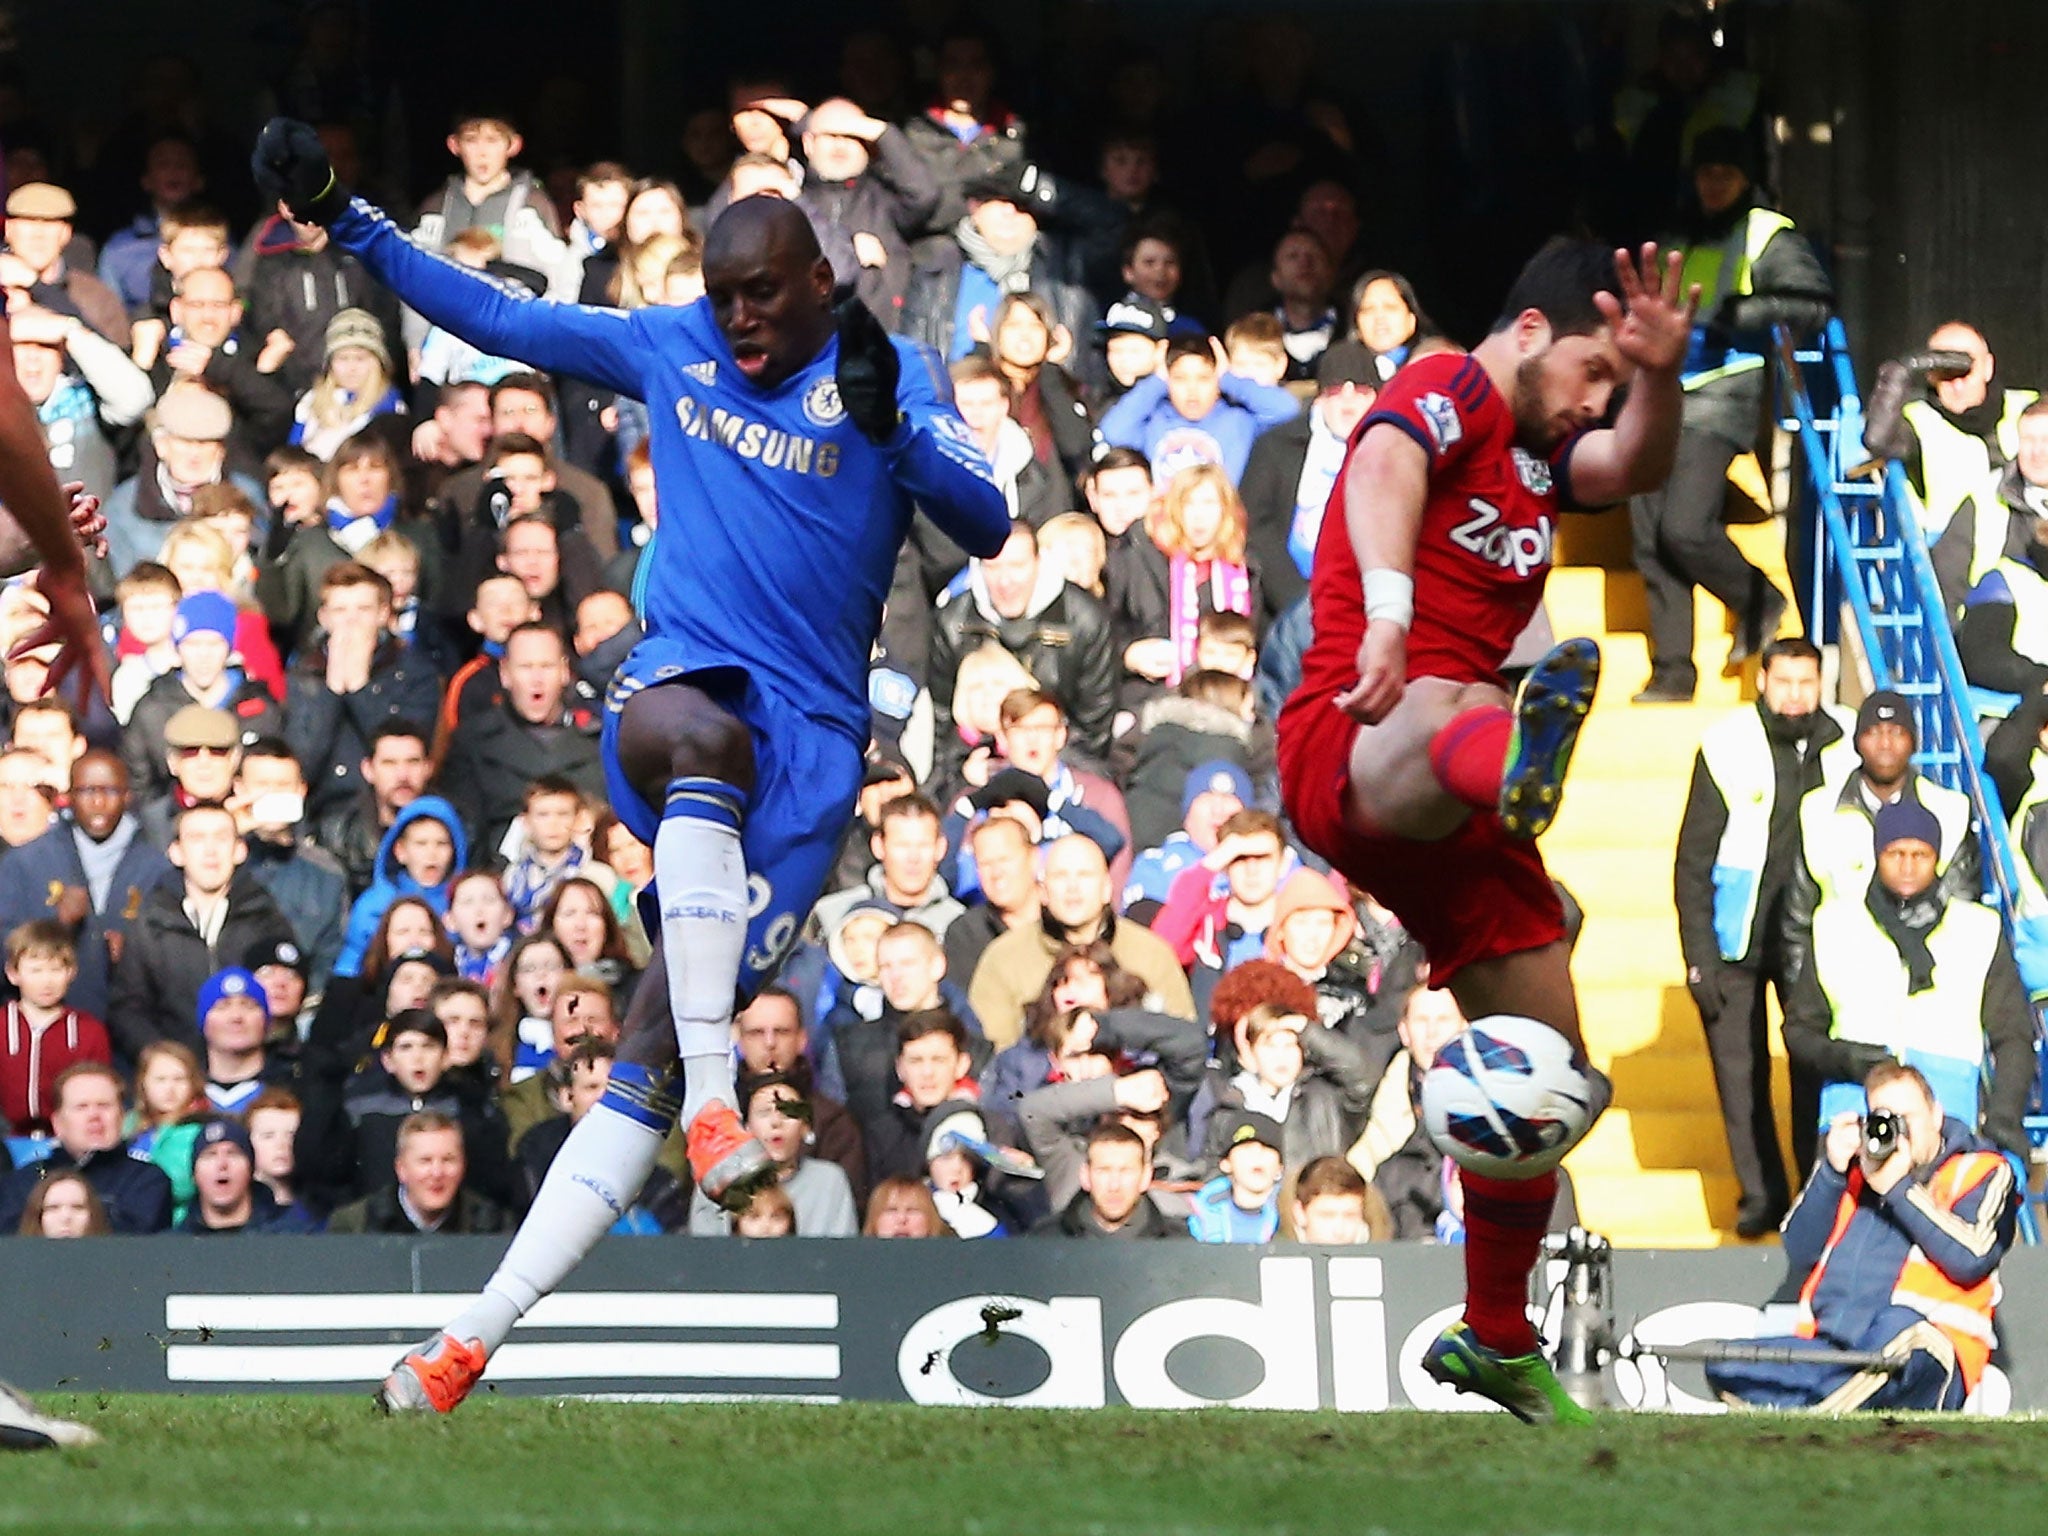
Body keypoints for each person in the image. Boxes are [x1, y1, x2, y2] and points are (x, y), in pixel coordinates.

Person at [251, 122, 1007, 1409]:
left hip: (815, 752)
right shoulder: (674, 345)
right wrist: (351, 220)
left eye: (760, 293)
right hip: (689, 679)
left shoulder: (893, 372)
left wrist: (906, 439)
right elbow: (499, 318)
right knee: (687, 735)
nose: (737, 319)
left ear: (822, 281)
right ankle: (721, 1099)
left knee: (643, 1061)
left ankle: (464, 1346)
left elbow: (984, 521)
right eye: (720, 296)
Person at [1277, 239, 1697, 1423]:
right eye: (1588, 374)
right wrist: (1389, 616)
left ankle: (1497, 1338)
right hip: (1358, 734)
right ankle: (1514, 754)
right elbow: (1382, 467)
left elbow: (1623, 464)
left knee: (1553, 1077)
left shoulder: (1538, 451)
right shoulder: (1453, 383)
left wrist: (1654, 379)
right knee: (1464, 698)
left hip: (1461, 801)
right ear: (1527, 334)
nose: (1591, 402)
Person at [1629, 128, 1831, 701]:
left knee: (1684, 527)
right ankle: (1673, 672)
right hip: (1657, 393)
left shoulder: (1768, 230)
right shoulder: (1676, 231)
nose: (1714, 184)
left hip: (1721, 395)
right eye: (1706, 172)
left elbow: (1813, 303)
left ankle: (1761, 598)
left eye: (1726, 173)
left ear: (1747, 178)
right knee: (1649, 542)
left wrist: (1740, 313)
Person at [1704, 1063, 2017, 1412]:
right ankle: (1830, 1403)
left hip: (1930, 1347)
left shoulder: (1981, 1170)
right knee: (1725, 1360)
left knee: (1901, 1327)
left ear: (1937, 1116)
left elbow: (1973, 1257)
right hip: (1835, 1351)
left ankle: (1815, 1415)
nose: (1897, 1134)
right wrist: (1832, 1172)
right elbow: (1799, 1249)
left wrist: (1899, 1188)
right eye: (1884, 1120)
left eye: (1906, 1119)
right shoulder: (1856, 1174)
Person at [1673, 637, 1854, 1235]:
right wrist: (1698, 956)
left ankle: (1813, 1193)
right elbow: (1692, 861)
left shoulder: (1851, 741)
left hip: (1820, 938)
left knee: (1812, 1068)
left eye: (1807, 683)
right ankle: (1761, 1194)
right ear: (1763, 681)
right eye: (1784, 682)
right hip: (1736, 938)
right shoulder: (1726, 743)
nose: (1796, 695)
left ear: (1822, 683)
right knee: (1739, 1072)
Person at [1781, 801, 2033, 1165]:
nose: (1908, 865)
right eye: (1895, 853)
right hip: (1854, 1118)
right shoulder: (1834, 925)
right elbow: (1800, 1032)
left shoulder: (1979, 929)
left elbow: (2013, 1036)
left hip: (1946, 1121)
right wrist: (1848, 1059)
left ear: (1938, 859)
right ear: (1877, 854)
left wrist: (2004, 1117)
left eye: (1921, 854)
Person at [106, 803, 297, 1062]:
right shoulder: (151, 922)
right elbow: (128, 1007)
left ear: (239, 850)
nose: (210, 851)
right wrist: (163, 1059)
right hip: (175, 1079)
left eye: (220, 838)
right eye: (197, 839)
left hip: (253, 1074)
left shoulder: (265, 916)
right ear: (176, 852)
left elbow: (285, 1001)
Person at [968, 833, 1195, 1048]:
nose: (1073, 888)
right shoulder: (1004, 958)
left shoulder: (1151, 953)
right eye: (1060, 876)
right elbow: (992, 1055)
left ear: (1107, 889)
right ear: (1043, 891)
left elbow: (1183, 1040)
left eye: (1085, 875)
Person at [928, 521, 1120, 764]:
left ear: (1039, 563)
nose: (1005, 581)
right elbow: (940, 720)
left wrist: (1038, 764)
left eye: (1017, 566)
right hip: (977, 765)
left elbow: (1095, 724)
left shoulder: (1084, 619)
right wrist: (963, 767)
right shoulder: (953, 621)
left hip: (1061, 763)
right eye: (993, 567)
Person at [0, 751, 171, 1021]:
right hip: (44, 1031)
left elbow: (179, 964)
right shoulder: (25, 863)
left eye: (111, 791)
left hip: (131, 1036)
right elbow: (5, 951)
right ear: (67, 798)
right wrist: (57, 927)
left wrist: (135, 954)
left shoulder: (157, 867)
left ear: (128, 796)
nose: (99, 803)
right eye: (87, 791)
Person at [435, 623, 604, 853]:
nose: (537, 679)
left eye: (546, 666)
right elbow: (466, 832)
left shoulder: (599, 735)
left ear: (565, 672)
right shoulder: (472, 741)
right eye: (526, 667)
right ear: (505, 673)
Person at [1240, 345, 1380, 615]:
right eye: (1336, 390)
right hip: (1281, 604)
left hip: (1363, 606)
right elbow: (1254, 521)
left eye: (1361, 391)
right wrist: (1294, 599)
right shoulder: (1276, 445)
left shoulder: (1394, 455)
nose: (1347, 401)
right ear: (1319, 399)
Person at [1863, 321, 2040, 535]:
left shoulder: (2028, 408)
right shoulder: (1918, 422)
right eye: (1944, 373)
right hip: (1950, 556)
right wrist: (1901, 370)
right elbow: (1877, 439)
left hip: (2029, 548)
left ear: (1988, 368)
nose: (1957, 385)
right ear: (1929, 374)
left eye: (1965, 371)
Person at [1099, 334, 1300, 487]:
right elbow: (1113, 430)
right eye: (1180, 379)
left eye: (1204, 378)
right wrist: (1157, 380)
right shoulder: (1155, 421)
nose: (1192, 389)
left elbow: (1287, 410)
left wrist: (1229, 378)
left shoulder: (1239, 421)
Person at [0, 1063, 173, 1233]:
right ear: (58, 1123)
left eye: (104, 1106)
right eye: (81, 1107)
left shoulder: (148, 1181)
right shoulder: (22, 1183)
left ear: (121, 1117)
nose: (94, 1116)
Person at [688, 1072, 858, 1236]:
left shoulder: (829, 1180)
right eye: (764, 1112)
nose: (776, 1122)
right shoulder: (719, 1180)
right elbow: (704, 1254)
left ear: (806, 1126)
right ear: (746, 1128)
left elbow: (842, 1254)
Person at [1930, 399, 2048, 618]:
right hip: (1991, 635)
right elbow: (1945, 585)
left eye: (2046, 440)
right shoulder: (1985, 500)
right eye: (2029, 440)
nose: (2038, 451)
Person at [324, 1109, 514, 1235]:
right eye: (425, 1161)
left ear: (463, 1165)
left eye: (448, 1160)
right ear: (401, 1169)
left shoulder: (494, 1226)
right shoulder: (353, 1225)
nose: (437, 1172)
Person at [0, 922, 111, 1138]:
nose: (46, 981)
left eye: (56, 969)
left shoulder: (89, 1031)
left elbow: (98, 1092)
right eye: (36, 970)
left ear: (71, 972)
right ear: (13, 973)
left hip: (67, 1142)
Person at [1035, 1120, 1184, 1239]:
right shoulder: (1043, 1242)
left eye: (1126, 1172)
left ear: (1145, 1177)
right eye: (1103, 1171)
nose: (1114, 1186)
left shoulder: (1179, 1246)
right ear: (1085, 1176)